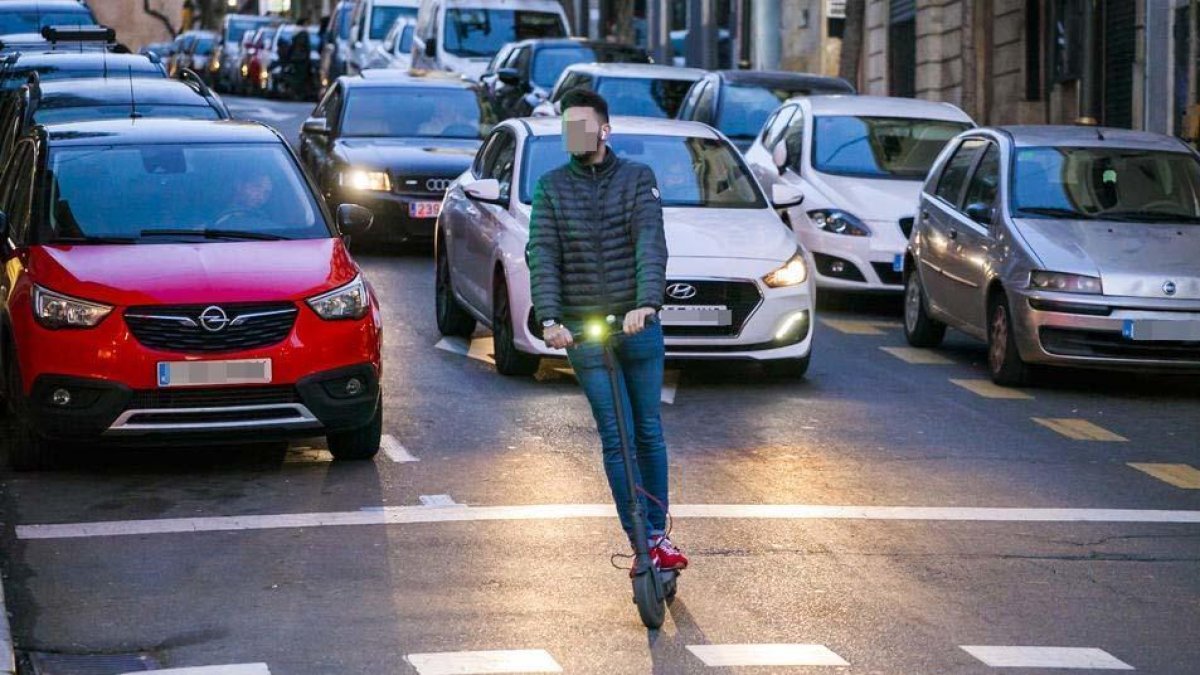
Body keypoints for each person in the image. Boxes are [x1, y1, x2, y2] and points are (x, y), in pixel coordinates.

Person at [526, 88, 687, 573]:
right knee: (614, 437)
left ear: (604, 129)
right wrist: (551, 320)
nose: (574, 134)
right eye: (567, 126)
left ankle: (658, 535)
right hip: (583, 331)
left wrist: (646, 303)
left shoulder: (638, 179)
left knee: (647, 432)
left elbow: (649, 242)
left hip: (636, 325)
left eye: (583, 124)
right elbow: (543, 255)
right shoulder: (552, 187)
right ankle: (637, 535)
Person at [288, 20, 313, 99]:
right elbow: (307, 46)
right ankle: (298, 93)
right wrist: (308, 57)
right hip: (302, 58)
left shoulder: (295, 33)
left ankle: (294, 91)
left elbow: (291, 46)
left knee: (296, 75)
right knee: (301, 76)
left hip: (295, 57)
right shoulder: (304, 33)